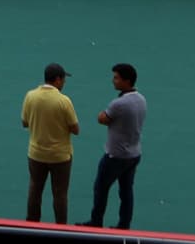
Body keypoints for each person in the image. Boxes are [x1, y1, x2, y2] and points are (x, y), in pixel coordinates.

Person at [84, 64, 147, 231]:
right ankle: (124, 225)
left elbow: (102, 118)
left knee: (101, 188)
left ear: (126, 81)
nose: (113, 80)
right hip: (133, 154)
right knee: (126, 191)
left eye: (116, 77)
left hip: (116, 156)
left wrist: (102, 114)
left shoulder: (119, 103)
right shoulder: (141, 99)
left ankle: (96, 222)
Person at [21, 62, 81, 224]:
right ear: (57, 80)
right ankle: (61, 226)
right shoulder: (64, 101)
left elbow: (25, 122)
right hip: (60, 157)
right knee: (60, 194)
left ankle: (31, 223)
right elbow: (75, 129)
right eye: (63, 79)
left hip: (36, 154)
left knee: (35, 190)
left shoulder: (30, 96)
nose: (64, 83)